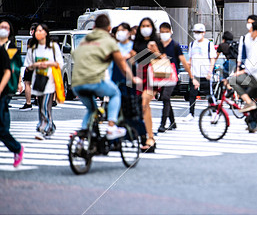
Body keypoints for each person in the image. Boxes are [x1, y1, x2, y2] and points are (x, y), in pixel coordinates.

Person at [72, 15, 140, 142]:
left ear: (93, 27)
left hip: (76, 84)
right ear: (109, 28)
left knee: (91, 109)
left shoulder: (84, 40)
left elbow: (76, 56)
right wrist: (133, 79)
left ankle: (81, 139)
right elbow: (123, 66)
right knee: (115, 94)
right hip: (94, 81)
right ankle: (111, 127)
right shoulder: (109, 42)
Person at [24, 24, 64, 140]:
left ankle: (44, 127)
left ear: (46, 32)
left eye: (41, 30)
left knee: (46, 105)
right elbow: (28, 65)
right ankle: (49, 125)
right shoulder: (33, 49)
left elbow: (60, 63)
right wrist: (36, 65)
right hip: (38, 81)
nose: (38, 32)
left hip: (50, 81)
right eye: (37, 31)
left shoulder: (53, 47)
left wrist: (48, 64)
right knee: (41, 105)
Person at [129, 17, 162, 151]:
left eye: (148, 25)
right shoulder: (136, 43)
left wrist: (156, 52)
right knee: (143, 106)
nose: (145, 28)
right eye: (143, 26)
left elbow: (164, 59)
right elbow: (132, 61)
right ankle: (148, 137)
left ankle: (150, 137)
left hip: (153, 77)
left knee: (144, 102)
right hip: (140, 76)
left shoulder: (157, 41)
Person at [159, 22, 198, 132]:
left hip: (172, 75)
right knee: (165, 98)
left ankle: (162, 124)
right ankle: (173, 122)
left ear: (170, 32)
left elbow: (184, 62)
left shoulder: (175, 45)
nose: (164, 34)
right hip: (161, 75)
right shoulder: (158, 45)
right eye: (162, 32)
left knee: (165, 97)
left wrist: (191, 77)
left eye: (166, 32)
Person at [0, 20, 24, 167]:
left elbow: (15, 67)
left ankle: (15, 146)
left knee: (2, 122)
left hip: (6, 86)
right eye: (1, 27)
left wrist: (19, 82)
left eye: (6, 27)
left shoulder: (11, 47)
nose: (3, 29)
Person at [182, 23, 216, 121]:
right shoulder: (192, 44)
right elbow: (191, 59)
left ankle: (213, 112)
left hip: (205, 73)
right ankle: (191, 114)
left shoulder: (209, 44)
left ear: (204, 33)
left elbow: (212, 58)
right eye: (196, 32)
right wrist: (188, 67)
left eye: (199, 32)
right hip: (195, 74)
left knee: (209, 94)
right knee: (192, 94)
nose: (197, 34)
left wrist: (210, 71)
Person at [18, 23, 38, 111]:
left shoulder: (31, 41)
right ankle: (38, 99)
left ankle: (28, 102)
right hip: (41, 64)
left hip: (31, 64)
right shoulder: (43, 40)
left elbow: (29, 54)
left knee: (27, 83)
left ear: (33, 31)